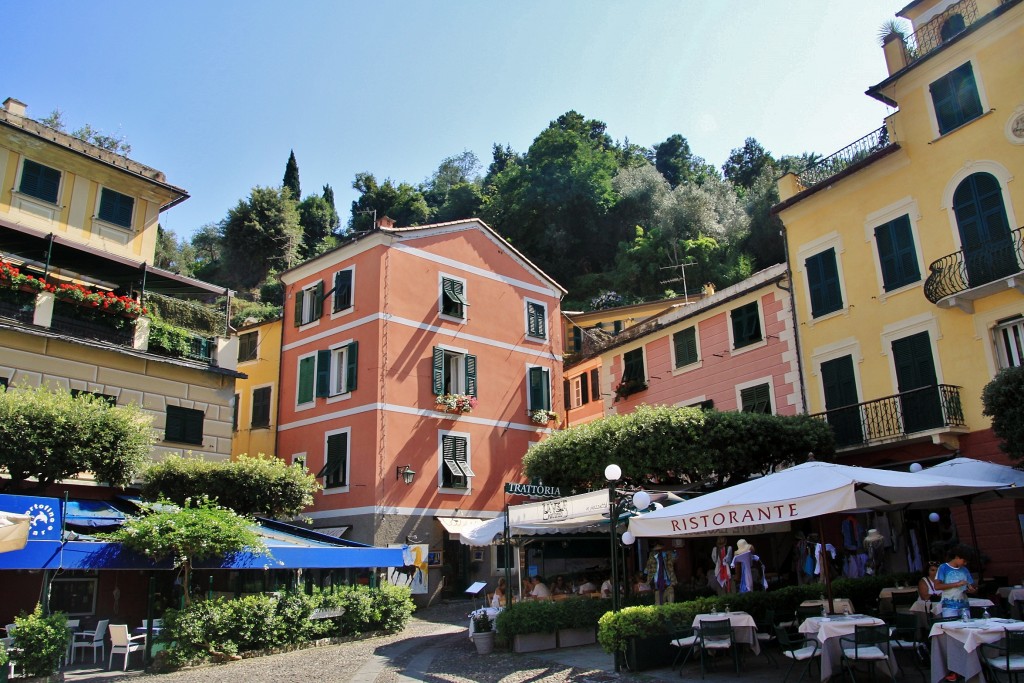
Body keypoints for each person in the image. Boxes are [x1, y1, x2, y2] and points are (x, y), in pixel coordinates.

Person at [934, 545, 977, 618]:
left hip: (964, 605)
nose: (965, 563)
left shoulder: (965, 570)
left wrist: (972, 590)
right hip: (949, 606)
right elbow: (937, 586)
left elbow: (972, 585)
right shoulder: (943, 567)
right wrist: (957, 584)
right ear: (957, 557)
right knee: (951, 627)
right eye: (964, 561)